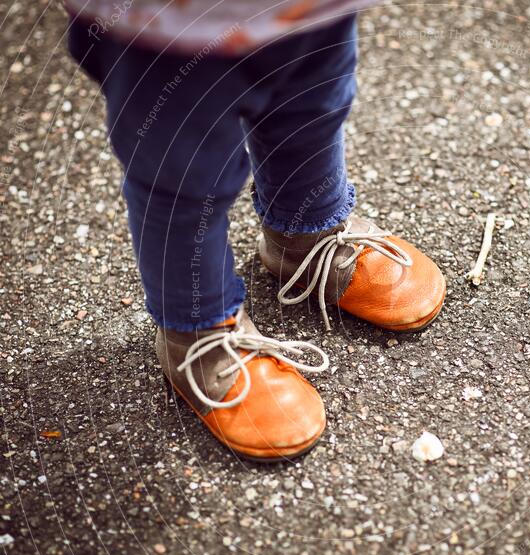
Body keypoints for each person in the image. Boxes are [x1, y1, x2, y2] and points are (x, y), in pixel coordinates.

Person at [65, 0, 446, 461]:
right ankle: (195, 329)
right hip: (164, 25)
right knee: (184, 177)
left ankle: (304, 236)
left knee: (312, 108)